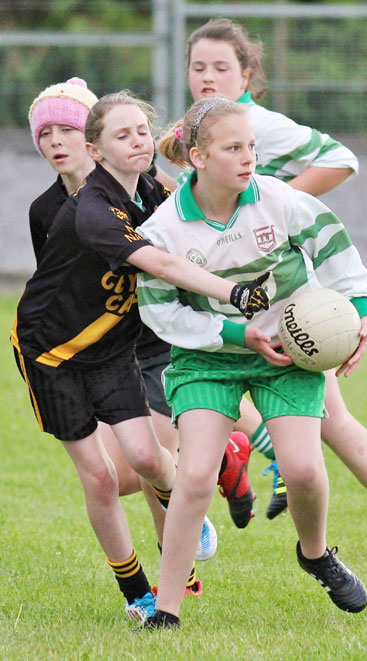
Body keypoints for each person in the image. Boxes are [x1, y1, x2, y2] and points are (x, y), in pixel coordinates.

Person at [181, 17, 367, 553]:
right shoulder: (200, 133)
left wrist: (274, 206)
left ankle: (276, 458)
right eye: (198, 66)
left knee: (293, 405)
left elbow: (339, 158)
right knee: (328, 416)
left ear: (248, 75)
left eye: (221, 67)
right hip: (246, 296)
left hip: (284, 296)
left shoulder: (258, 124)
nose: (208, 77)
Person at [12, 89, 270, 624]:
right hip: (50, 355)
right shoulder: (90, 209)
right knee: (102, 478)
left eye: (140, 133)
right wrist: (233, 294)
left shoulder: (153, 191)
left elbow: (200, 213)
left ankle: (188, 505)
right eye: (120, 135)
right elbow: (161, 264)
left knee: (151, 459)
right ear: (98, 151)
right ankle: (136, 593)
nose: (135, 142)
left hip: (112, 349)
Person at [136, 97, 367, 629]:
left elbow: (337, 252)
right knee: (197, 474)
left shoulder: (280, 200)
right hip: (208, 359)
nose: (248, 157)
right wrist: (235, 332)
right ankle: (167, 609)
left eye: (251, 146)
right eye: (233, 149)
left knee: (303, 470)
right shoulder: (165, 229)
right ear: (198, 158)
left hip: (286, 356)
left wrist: (361, 310)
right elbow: (159, 312)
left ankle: (315, 553)